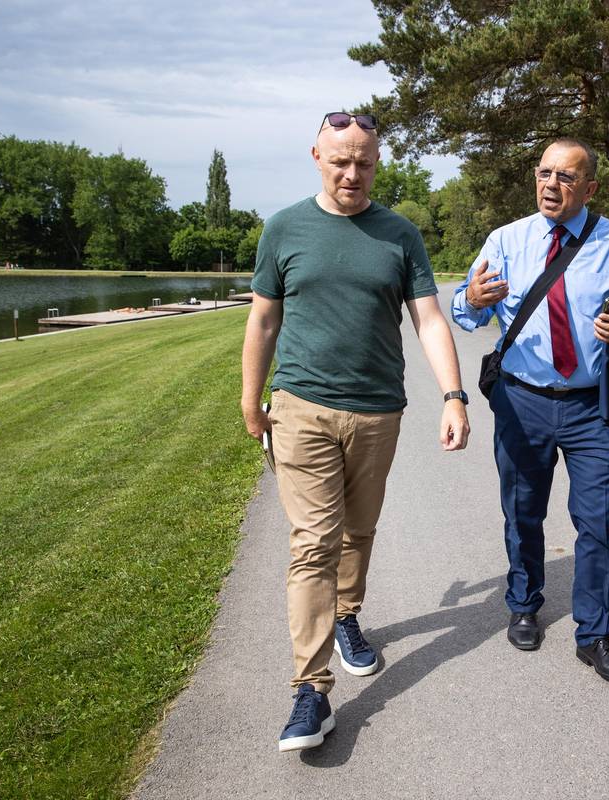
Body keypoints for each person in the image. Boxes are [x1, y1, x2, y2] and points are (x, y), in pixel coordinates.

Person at [241, 111, 470, 752]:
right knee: (314, 541)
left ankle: (346, 615)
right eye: (340, 160)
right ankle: (310, 691)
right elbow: (263, 321)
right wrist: (251, 401)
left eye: (363, 162)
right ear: (316, 156)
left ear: (376, 163)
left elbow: (428, 319)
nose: (351, 173)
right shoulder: (284, 228)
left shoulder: (399, 233)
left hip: (377, 412)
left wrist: (453, 396)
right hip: (301, 407)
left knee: (358, 530)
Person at [451, 137, 609, 686]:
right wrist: (472, 300)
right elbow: (464, 311)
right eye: (544, 173)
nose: (551, 184)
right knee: (523, 510)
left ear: (589, 189)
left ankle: (596, 634)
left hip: (591, 407)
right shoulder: (506, 240)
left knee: (599, 520)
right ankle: (524, 603)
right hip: (521, 401)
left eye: (566, 177)